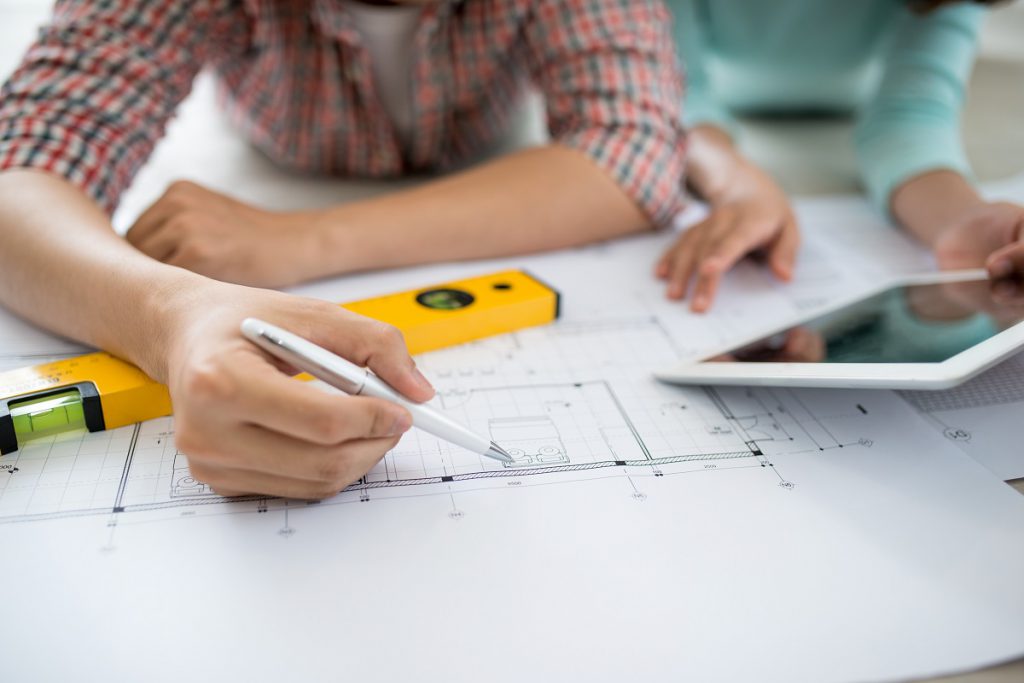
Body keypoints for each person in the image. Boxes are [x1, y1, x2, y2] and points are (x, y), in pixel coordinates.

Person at [0, 0, 687, 498]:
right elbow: (19, 170)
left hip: (358, 197)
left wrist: (300, 238)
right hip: (267, 173)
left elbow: (632, 153)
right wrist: (172, 315)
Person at [658, 0, 1023, 312]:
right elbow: (675, 97)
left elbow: (911, 116)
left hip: (865, 98)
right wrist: (734, 183)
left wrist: (965, 218)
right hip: (708, 100)